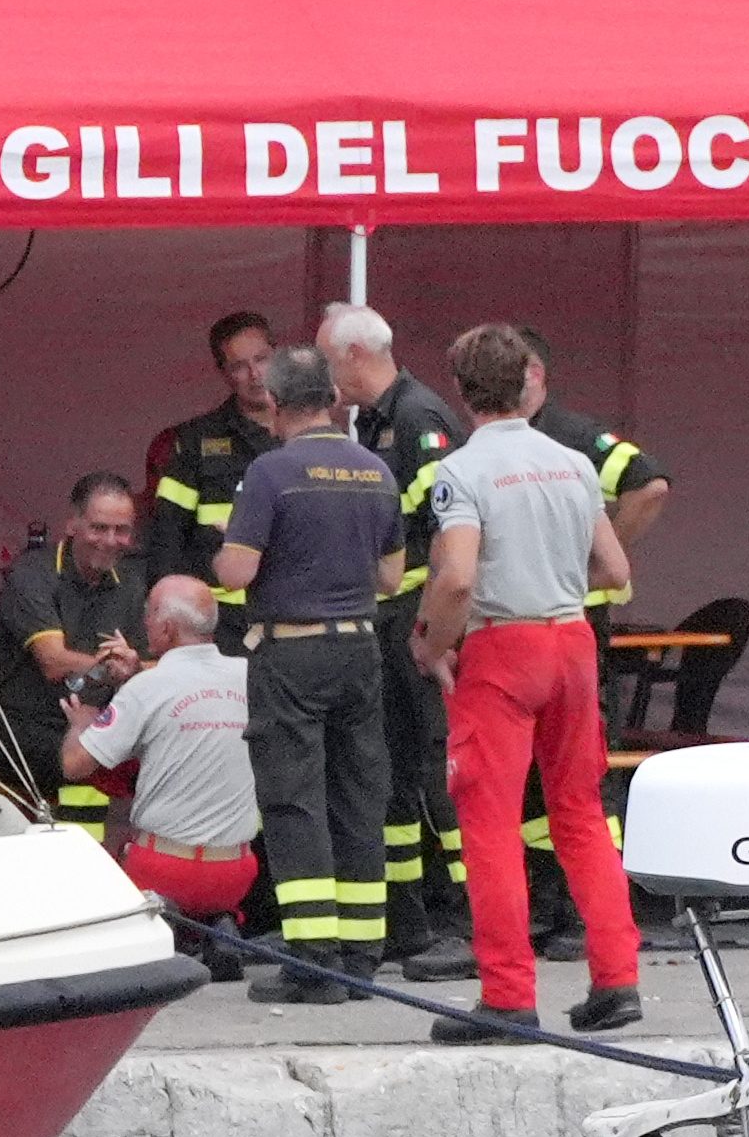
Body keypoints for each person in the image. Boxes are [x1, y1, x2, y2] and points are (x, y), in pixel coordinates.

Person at [415, 323, 646, 1044]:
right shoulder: (574, 463)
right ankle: (617, 979)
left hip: (501, 647)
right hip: (571, 641)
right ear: (528, 382)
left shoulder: (463, 471)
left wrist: (431, 643)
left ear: (461, 391)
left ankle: (508, 996)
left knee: (489, 826)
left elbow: (454, 577)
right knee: (579, 815)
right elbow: (614, 571)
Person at [210, 343, 405, 997]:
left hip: (290, 651)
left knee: (295, 802)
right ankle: (361, 958)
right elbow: (392, 575)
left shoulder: (271, 472)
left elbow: (236, 572)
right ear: (333, 400)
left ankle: (313, 961)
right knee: (357, 800)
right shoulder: (375, 470)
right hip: (360, 646)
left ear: (274, 403)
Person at [327, 306, 473, 976]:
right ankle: (408, 921)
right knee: (395, 776)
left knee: (435, 776)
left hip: (415, 620)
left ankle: (474, 923)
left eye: (332, 361)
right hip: (391, 618)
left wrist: (433, 631)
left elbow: (449, 534)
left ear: (357, 353)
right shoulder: (381, 419)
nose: (331, 376)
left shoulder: (419, 419)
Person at [65, 578, 259, 924]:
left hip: (164, 871)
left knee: (117, 823)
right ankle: (216, 922)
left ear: (167, 628)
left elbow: (75, 766)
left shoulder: (147, 688)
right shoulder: (251, 676)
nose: (145, 622)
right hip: (237, 872)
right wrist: (138, 674)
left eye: (149, 614)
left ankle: (168, 925)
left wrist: (81, 723)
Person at [0, 472, 147, 822]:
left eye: (122, 530)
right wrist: (108, 669)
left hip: (96, 722)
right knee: (89, 759)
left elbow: (153, 664)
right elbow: (53, 662)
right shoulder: (31, 572)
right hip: (16, 723)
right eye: (99, 528)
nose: (111, 540)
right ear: (72, 524)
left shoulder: (131, 585)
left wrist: (134, 668)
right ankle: (81, 870)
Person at [138, 310, 287, 619]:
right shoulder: (194, 442)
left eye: (261, 359)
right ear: (223, 373)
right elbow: (167, 539)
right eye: (239, 366)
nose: (256, 375)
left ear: (278, 355)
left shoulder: (309, 434)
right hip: (219, 619)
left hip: (291, 611)